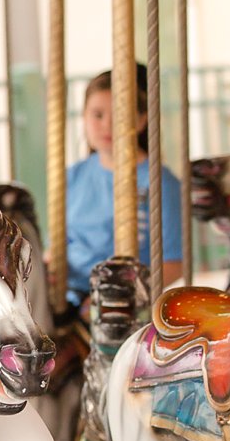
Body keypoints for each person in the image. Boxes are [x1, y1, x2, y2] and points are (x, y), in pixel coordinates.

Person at [65, 65, 184, 307]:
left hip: (124, 303)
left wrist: (118, 298)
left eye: (119, 115)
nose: (107, 126)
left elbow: (173, 263)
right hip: (69, 296)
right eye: (97, 115)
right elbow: (58, 246)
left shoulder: (160, 183)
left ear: (141, 120)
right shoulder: (73, 176)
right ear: (84, 118)